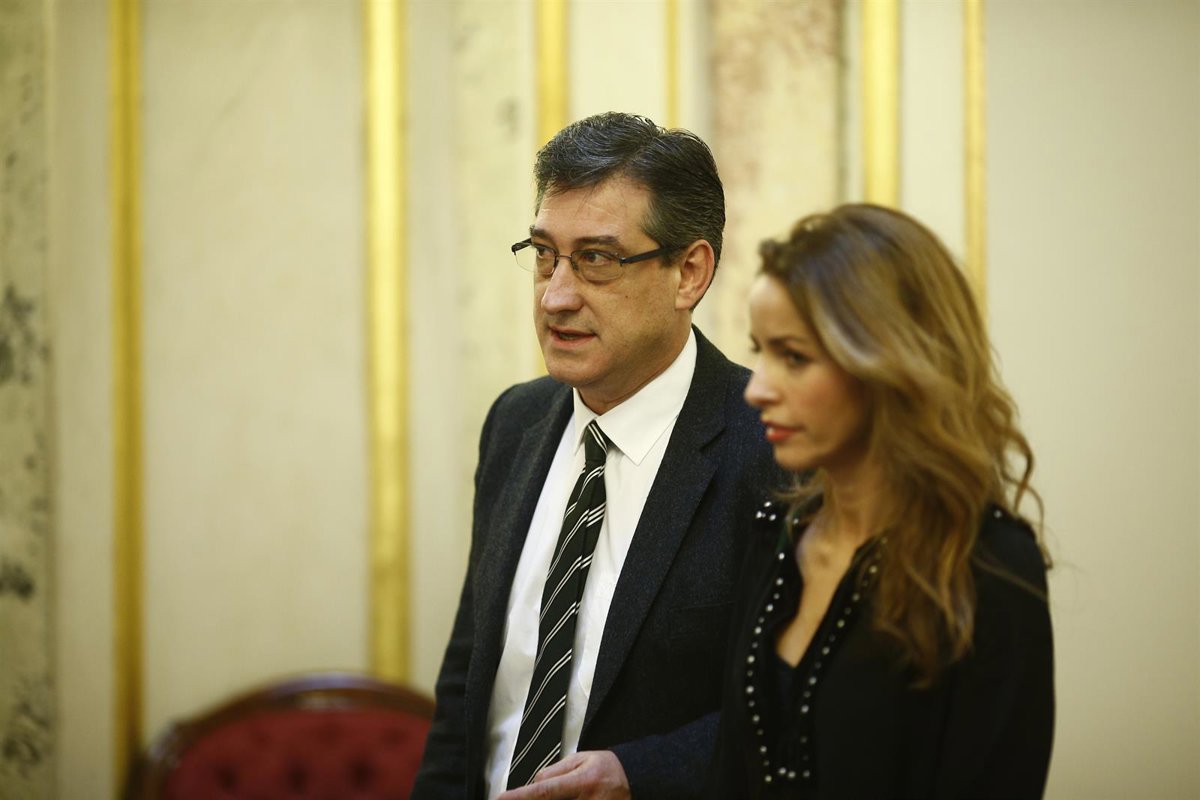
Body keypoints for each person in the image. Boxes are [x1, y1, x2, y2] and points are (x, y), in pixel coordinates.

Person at [412, 112, 781, 800]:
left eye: (597, 260)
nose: (555, 296)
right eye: (544, 254)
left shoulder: (771, 449)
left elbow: (791, 717)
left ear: (689, 273)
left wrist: (641, 776)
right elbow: (467, 684)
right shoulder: (514, 424)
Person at [708, 204, 1055, 799]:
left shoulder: (990, 567)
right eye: (759, 351)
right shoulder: (777, 533)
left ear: (889, 363)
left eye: (794, 357)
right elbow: (731, 772)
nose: (758, 388)